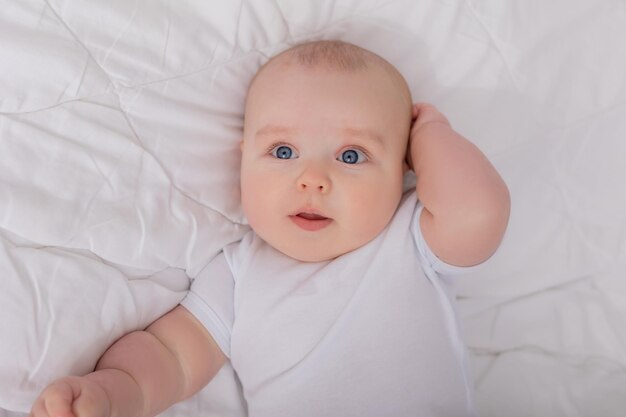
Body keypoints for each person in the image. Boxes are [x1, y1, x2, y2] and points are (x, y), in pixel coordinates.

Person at [30, 40, 510, 417]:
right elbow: (170, 358)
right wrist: (112, 396)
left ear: (405, 169)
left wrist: (430, 134)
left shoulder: (411, 237)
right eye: (283, 152)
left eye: (351, 155)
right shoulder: (238, 272)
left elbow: (478, 212)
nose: (313, 179)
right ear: (242, 164)